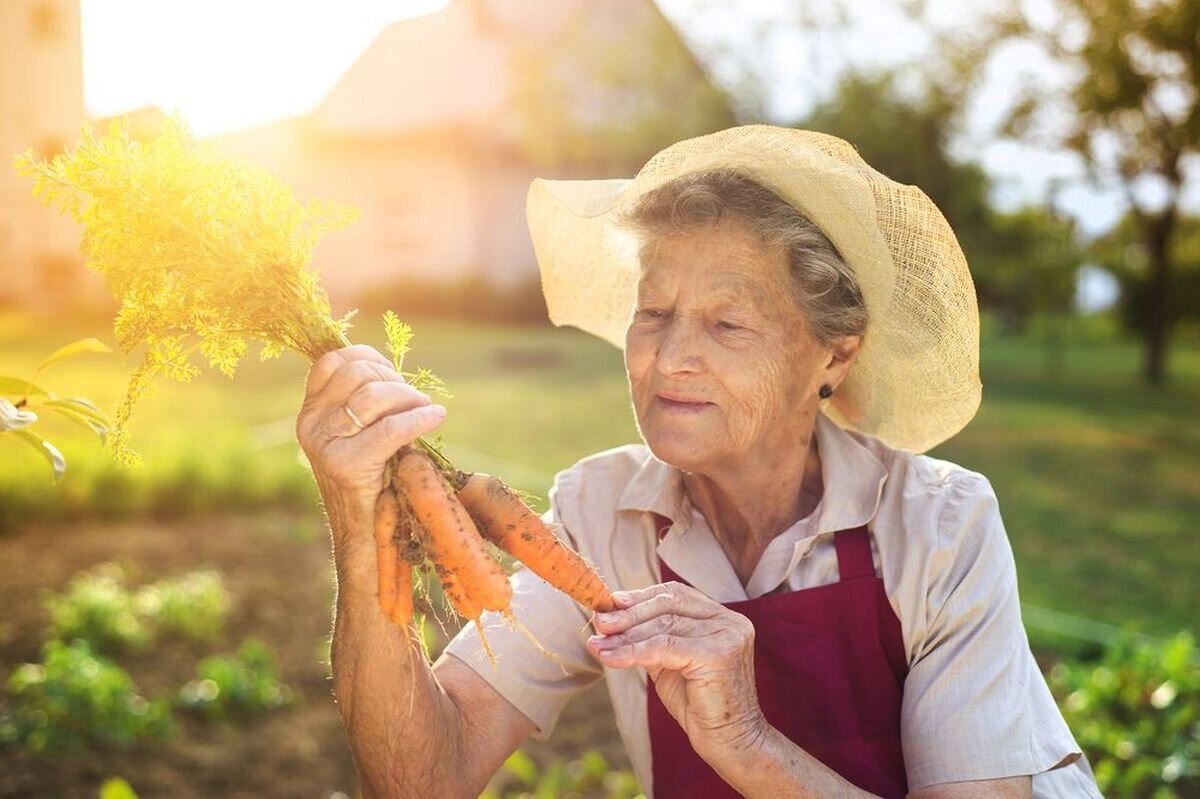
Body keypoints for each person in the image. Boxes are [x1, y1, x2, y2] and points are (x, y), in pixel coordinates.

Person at [296, 126, 1104, 798]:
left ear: (834, 353)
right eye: (654, 313)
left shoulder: (938, 526)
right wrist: (356, 512)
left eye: (727, 324)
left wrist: (745, 741)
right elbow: (418, 778)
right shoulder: (598, 513)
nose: (669, 358)